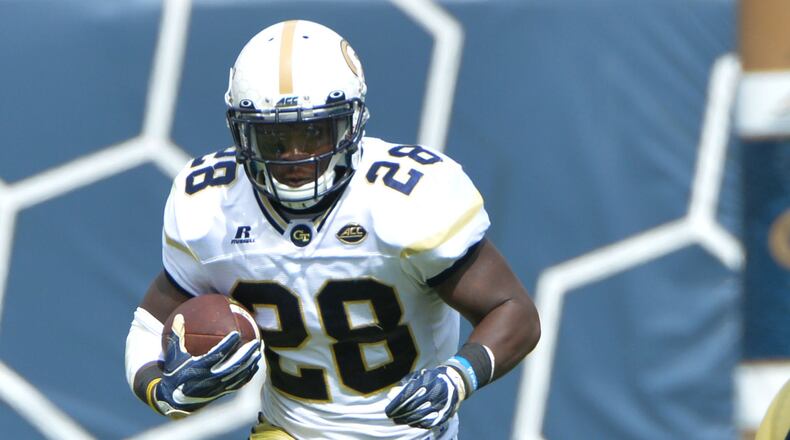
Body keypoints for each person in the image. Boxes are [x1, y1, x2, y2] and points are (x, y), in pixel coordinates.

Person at [124, 19, 540, 439]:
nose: (294, 157)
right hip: (288, 430)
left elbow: (513, 310)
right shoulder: (211, 205)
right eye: (273, 139)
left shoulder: (408, 200)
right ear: (242, 133)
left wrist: (459, 375)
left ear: (351, 123)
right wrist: (161, 388)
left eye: (313, 133)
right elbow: (148, 325)